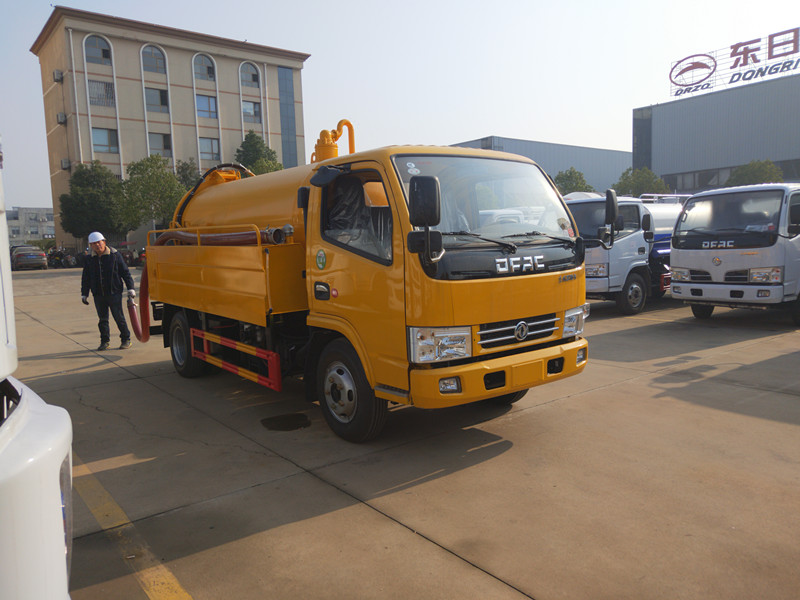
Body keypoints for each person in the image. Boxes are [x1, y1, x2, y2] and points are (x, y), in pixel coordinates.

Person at [80, 231, 136, 351]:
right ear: (90, 245)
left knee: (119, 317)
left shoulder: (115, 255)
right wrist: (84, 294)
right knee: (103, 319)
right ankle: (105, 342)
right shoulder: (89, 258)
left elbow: (125, 272)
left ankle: (126, 339)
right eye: (93, 244)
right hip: (98, 294)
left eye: (99, 243)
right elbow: (86, 277)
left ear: (104, 242)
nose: (97, 246)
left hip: (114, 292)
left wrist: (130, 288)